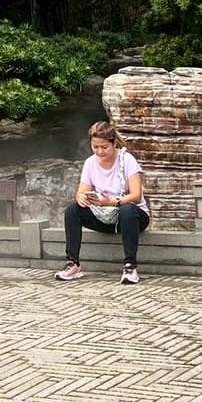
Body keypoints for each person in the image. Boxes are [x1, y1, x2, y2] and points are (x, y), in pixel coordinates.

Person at [56, 120, 150, 285]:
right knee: (72, 210)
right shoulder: (90, 163)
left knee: (127, 209)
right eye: (95, 147)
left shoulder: (127, 160)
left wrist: (113, 202)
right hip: (103, 215)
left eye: (104, 147)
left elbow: (136, 195)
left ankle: (130, 266)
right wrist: (83, 198)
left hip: (131, 216)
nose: (99, 151)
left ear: (114, 144)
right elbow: (80, 192)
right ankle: (73, 263)